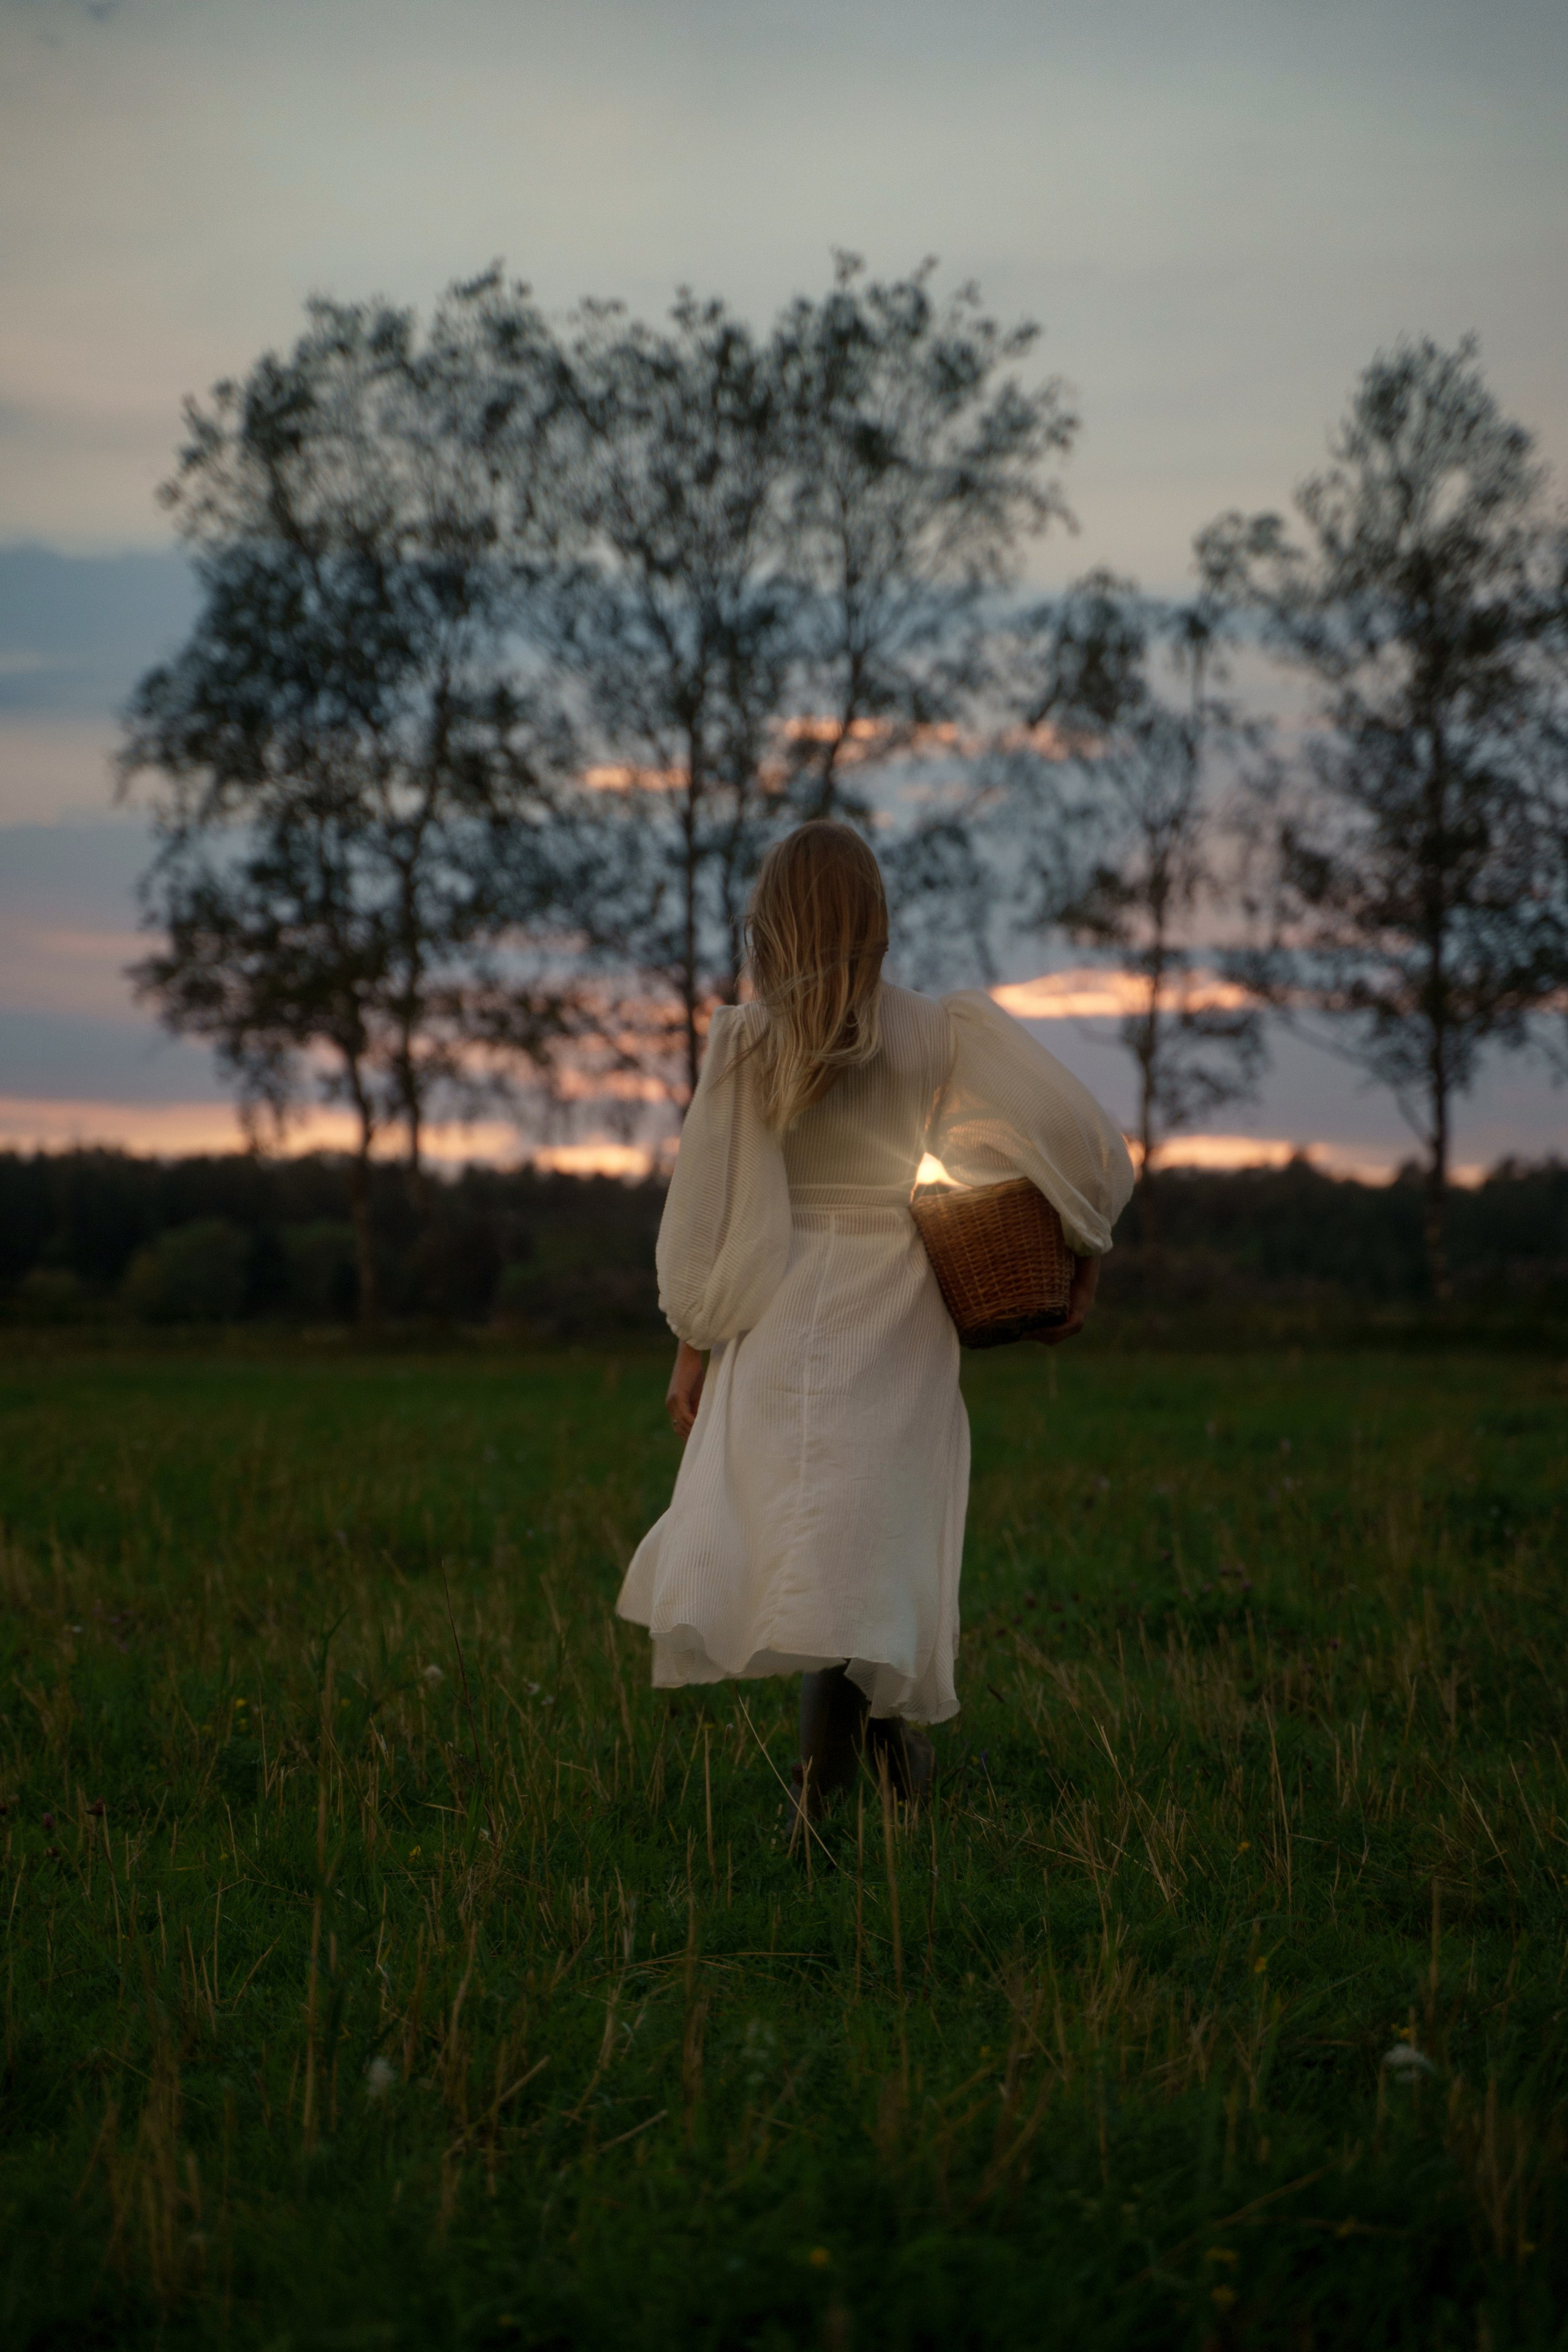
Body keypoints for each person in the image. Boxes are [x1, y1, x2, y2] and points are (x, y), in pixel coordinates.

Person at [616, 821, 1133, 1819]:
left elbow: (712, 1213)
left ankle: (840, 1802)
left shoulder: (750, 1040)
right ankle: (860, 1786)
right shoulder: (937, 1032)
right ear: (875, 922)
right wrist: (1085, 1253)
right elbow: (1072, 1133)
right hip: (895, 1308)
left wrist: (693, 1347)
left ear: (771, 923)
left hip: (778, 1307)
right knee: (864, 1548)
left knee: (839, 1555)